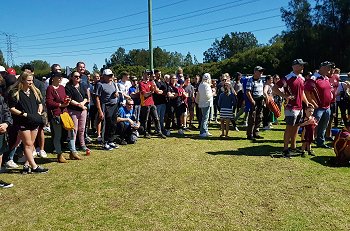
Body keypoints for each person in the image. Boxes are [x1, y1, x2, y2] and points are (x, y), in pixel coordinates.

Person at [8, 72, 48, 173]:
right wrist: (23, 114)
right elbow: (11, 108)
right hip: (22, 121)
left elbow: (40, 103)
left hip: (34, 120)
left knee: (31, 144)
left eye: (32, 80)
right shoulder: (15, 92)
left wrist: (39, 112)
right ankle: (34, 166)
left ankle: (26, 164)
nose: (31, 82)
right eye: (28, 80)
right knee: (28, 143)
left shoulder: (35, 91)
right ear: (23, 80)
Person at [273, 59, 310, 158]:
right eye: (301, 65)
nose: (303, 67)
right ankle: (285, 148)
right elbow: (274, 88)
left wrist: (307, 102)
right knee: (289, 128)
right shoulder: (287, 78)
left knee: (297, 127)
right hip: (290, 107)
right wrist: (284, 96)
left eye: (303, 65)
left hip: (299, 107)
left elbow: (301, 93)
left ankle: (293, 146)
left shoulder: (301, 78)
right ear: (294, 66)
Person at [46, 72, 81, 162]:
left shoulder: (62, 88)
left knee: (71, 131)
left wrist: (67, 100)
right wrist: (60, 104)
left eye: (61, 77)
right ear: (53, 78)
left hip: (64, 113)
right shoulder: (50, 88)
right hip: (56, 114)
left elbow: (64, 97)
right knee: (58, 135)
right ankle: (59, 154)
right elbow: (49, 102)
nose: (60, 79)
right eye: (58, 77)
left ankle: (73, 151)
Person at [305, 61, 333, 148]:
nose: (329, 69)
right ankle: (307, 142)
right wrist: (313, 103)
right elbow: (306, 91)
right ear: (322, 67)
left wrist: (331, 96)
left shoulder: (326, 78)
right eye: (328, 67)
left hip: (327, 107)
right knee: (312, 125)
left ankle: (320, 142)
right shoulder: (314, 78)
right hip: (318, 108)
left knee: (323, 126)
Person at [95, 69, 121, 150]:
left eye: (111, 75)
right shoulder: (100, 84)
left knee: (113, 124)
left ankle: (111, 140)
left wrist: (116, 94)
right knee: (107, 124)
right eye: (108, 75)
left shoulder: (113, 83)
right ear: (104, 76)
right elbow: (97, 98)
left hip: (114, 105)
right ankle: (105, 142)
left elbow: (116, 92)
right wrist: (100, 111)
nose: (110, 77)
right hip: (106, 106)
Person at [65, 72, 89, 153]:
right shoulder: (68, 87)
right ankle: (72, 146)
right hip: (73, 110)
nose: (77, 78)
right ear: (71, 77)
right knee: (73, 130)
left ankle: (82, 145)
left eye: (79, 76)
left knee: (82, 129)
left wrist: (82, 104)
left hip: (83, 110)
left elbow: (86, 97)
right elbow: (69, 99)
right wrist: (79, 105)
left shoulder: (82, 86)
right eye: (75, 76)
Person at [139, 70, 166, 139]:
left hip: (151, 103)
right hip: (145, 104)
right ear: (144, 75)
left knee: (156, 118)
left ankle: (159, 132)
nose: (148, 76)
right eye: (147, 74)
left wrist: (154, 88)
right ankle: (145, 132)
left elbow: (155, 90)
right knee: (146, 119)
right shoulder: (141, 83)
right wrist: (152, 91)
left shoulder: (150, 82)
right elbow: (145, 94)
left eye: (149, 74)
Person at [246, 66, 265, 140]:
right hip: (254, 100)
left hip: (260, 100)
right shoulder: (250, 80)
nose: (261, 73)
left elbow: (262, 90)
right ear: (255, 72)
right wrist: (252, 100)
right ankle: (249, 134)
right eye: (260, 71)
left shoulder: (261, 81)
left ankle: (256, 133)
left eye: (262, 71)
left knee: (259, 117)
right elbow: (248, 91)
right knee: (252, 118)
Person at [0, 94, 14, 188]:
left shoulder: (0, 98)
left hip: (1, 130)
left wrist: (6, 123)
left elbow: (6, 112)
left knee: (0, 153)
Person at [196, 73, 213, 137]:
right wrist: (213, 93)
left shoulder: (201, 84)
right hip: (206, 103)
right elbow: (208, 96)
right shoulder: (206, 85)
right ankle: (202, 132)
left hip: (202, 103)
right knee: (205, 118)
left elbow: (199, 94)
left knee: (205, 117)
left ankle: (206, 130)